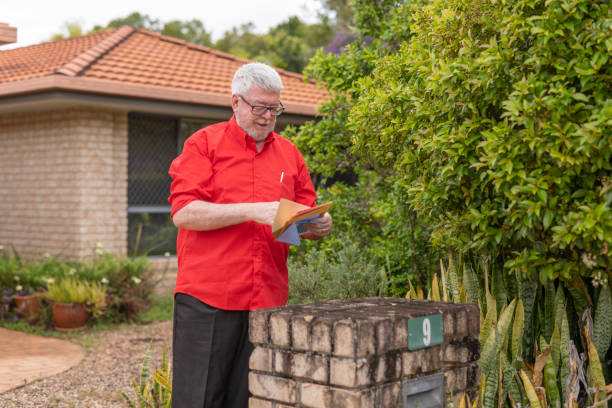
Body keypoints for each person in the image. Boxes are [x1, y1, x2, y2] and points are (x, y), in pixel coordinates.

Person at [167, 62, 332, 408]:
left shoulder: (290, 154)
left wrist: (318, 225)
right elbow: (184, 213)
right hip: (208, 299)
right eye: (259, 107)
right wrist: (251, 210)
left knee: (250, 400)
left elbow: (299, 221)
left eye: (274, 108)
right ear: (236, 102)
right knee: (198, 400)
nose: (267, 116)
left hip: (267, 298)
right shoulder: (203, 145)